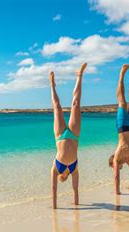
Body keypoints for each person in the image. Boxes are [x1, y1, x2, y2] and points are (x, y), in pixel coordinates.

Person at [50, 63, 87, 209]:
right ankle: (79, 75)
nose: (62, 178)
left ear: (60, 178)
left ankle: (52, 84)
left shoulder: (55, 169)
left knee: (57, 106)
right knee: (76, 104)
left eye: (62, 178)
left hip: (60, 135)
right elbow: (76, 189)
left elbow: (53, 189)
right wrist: (76, 205)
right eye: (63, 178)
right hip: (74, 135)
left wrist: (54, 209)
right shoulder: (74, 169)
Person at [109, 63, 129, 195]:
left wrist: (117, 192)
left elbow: (116, 176)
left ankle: (121, 75)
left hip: (122, 126)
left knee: (122, 102)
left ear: (112, 162)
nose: (117, 168)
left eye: (113, 167)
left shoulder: (117, 157)